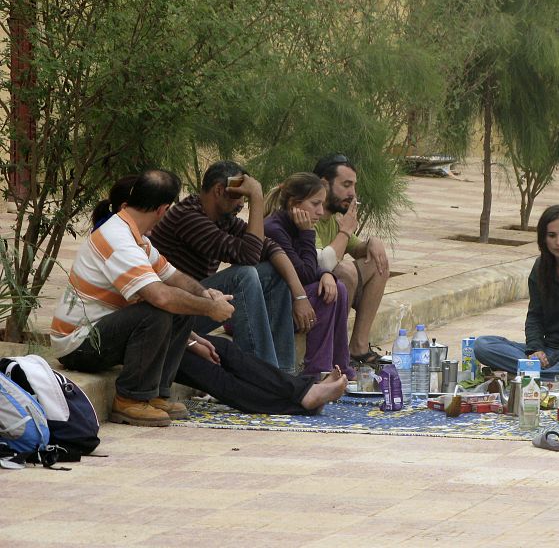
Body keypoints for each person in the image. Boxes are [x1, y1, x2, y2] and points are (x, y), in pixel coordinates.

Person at [88, 176, 347, 415]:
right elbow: (160, 299)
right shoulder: (128, 236)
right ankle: (301, 399)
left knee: (224, 350)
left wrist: (199, 315)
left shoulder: (141, 241)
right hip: (102, 341)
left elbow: (172, 282)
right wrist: (205, 310)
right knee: (212, 371)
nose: (240, 204)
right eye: (238, 198)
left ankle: (302, 392)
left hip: (147, 332)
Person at [50, 170, 235, 427]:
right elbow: (159, 296)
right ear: (163, 209)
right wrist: (210, 309)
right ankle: (129, 401)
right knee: (157, 309)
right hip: (77, 344)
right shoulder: (117, 238)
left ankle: (157, 395)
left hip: (101, 334)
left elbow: (172, 275)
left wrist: (206, 295)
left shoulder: (136, 236)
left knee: (182, 305)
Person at [150, 160, 311, 372]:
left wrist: (300, 296)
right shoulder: (188, 217)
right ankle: (261, 379)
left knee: (274, 271)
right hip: (171, 315)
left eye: (246, 197)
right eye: (240, 197)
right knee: (243, 276)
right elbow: (250, 256)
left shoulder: (221, 218)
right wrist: (257, 198)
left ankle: (283, 373)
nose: (241, 205)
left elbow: (269, 247)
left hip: (196, 307)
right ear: (219, 190)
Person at [473, 205, 559, 380]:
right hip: (546, 350)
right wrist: (535, 350)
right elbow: (535, 316)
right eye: (552, 236)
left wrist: (555, 358)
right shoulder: (541, 267)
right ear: (543, 239)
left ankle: (528, 373)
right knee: (482, 345)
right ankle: (540, 373)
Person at [264, 173, 355, 380]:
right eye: (315, 204)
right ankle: (317, 372)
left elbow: (310, 267)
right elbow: (304, 274)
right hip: (268, 309)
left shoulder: (295, 225)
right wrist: (307, 233)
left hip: (287, 301)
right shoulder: (275, 229)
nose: (321, 211)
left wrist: (325, 274)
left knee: (337, 287)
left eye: (322, 204)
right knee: (324, 295)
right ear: (295, 204)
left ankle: (341, 367)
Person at [312, 154, 389, 367]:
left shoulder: (334, 217)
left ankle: (358, 348)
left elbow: (356, 248)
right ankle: (335, 353)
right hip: (306, 297)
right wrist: (346, 230)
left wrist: (373, 242)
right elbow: (322, 264)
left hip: (329, 291)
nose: (352, 193)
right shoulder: (308, 215)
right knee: (345, 271)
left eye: (353, 186)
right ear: (324, 184)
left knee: (377, 261)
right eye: (346, 185)